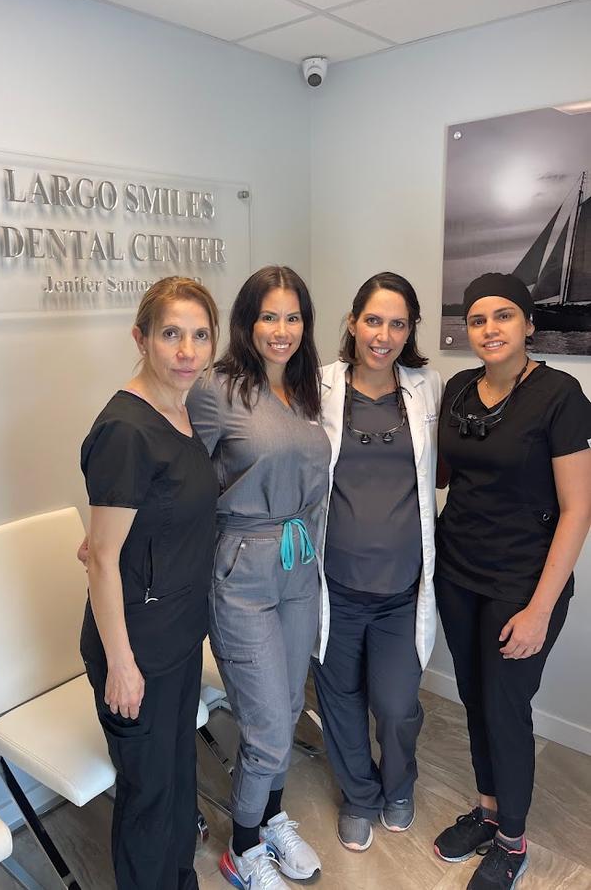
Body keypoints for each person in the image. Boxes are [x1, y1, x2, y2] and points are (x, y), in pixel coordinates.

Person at [433, 272, 591, 890]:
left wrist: (540, 609)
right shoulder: (457, 389)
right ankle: (489, 809)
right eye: (477, 319)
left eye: (503, 316)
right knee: (475, 698)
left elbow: (578, 509)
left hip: (523, 584)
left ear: (529, 324)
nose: (490, 329)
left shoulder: (560, 395)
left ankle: (513, 841)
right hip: (458, 571)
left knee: (505, 707)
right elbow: (444, 473)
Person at [186, 266, 330, 890]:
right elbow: (184, 482)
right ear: (246, 322)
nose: (281, 330)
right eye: (269, 316)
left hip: (300, 564)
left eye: (293, 317)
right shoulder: (216, 389)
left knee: (291, 705)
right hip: (242, 570)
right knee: (269, 724)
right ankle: (241, 849)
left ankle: (271, 819)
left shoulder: (305, 390)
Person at [79, 277, 220, 890]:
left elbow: (122, 531)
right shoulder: (126, 430)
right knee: (148, 797)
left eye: (199, 335)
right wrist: (121, 664)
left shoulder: (179, 410)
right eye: (170, 334)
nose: (186, 350)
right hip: (136, 647)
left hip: (178, 635)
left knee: (177, 779)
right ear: (141, 338)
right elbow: (101, 560)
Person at [311, 272, 442, 853]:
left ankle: (398, 784)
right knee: (339, 700)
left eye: (397, 323)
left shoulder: (427, 387)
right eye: (373, 320)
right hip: (334, 586)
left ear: (410, 329)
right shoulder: (319, 387)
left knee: (395, 705)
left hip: (400, 591)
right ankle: (359, 797)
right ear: (352, 322)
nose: (383, 335)